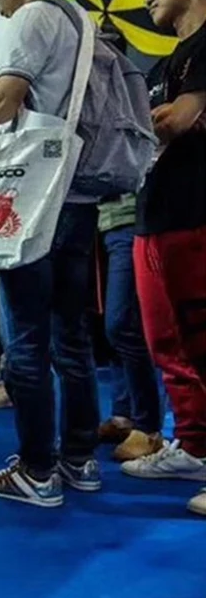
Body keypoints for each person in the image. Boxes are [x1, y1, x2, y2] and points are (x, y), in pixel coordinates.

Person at [0, 0, 102, 507]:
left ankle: (37, 472)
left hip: (36, 201)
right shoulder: (83, 20)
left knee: (28, 345)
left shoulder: (35, 16)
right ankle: (79, 460)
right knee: (72, 339)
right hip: (77, 196)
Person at [121, 0, 206, 516]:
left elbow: (174, 121)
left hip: (196, 213)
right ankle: (195, 446)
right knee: (167, 346)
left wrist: (159, 122)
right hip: (153, 216)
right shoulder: (162, 66)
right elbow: (158, 125)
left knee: (200, 341)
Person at [96, 193, 164, 460]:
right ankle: (123, 414)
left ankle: (148, 427)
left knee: (122, 324)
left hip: (134, 221)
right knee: (115, 324)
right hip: (106, 222)